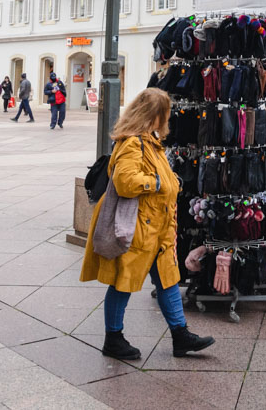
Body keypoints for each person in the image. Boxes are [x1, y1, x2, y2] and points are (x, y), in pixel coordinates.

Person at [81, 87, 215, 361]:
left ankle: (181, 335)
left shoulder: (149, 141)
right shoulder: (132, 143)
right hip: (139, 228)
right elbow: (126, 182)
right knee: (123, 282)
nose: (167, 120)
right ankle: (113, 338)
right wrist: (157, 183)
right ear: (154, 115)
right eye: (164, 114)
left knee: (167, 280)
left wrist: (170, 181)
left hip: (158, 228)